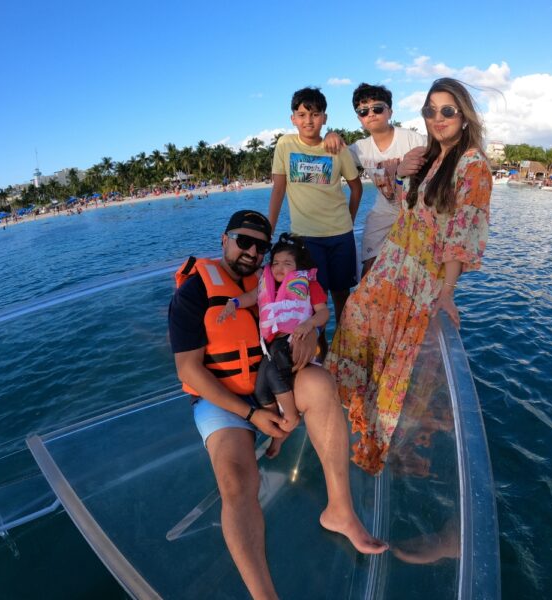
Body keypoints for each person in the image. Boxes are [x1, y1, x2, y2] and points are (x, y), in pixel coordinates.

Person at [168, 209, 387, 600]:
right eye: (243, 240)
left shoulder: (279, 279)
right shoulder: (194, 293)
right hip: (225, 401)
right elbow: (189, 369)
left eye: (261, 246)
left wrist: (315, 337)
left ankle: (340, 510)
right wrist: (251, 413)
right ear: (224, 239)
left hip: (275, 380)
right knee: (236, 482)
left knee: (320, 383)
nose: (252, 251)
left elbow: (307, 322)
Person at [325, 78, 492, 475]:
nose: (438, 118)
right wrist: (401, 170)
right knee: (353, 324)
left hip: (419, 280)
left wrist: (447, 293)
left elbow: (463, 232)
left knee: (398, 363)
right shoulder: (429, 156)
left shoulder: (472, 164)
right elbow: (401, 201)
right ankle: (352, 421)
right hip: (391, 267)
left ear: (464, 116)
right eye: (431, 111)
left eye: (447, 111)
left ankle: (386, 447)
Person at [217, 232, 329, 448]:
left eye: (287, 263)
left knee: (271, 371)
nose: (279, 267)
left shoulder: (308, 284)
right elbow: (251, 297)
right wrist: (234, 303)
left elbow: (324, 312)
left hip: (292, 339)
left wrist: (309, 324)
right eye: (276, 262)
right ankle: (278, 427)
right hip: (271, 346)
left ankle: (291, 416)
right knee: (260, 388)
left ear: (298, 267)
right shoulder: (264, 284)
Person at [268, 87, 362, 325]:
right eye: (301, 115)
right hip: (306, 239)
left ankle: (343, 350)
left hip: (340, 235)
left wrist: (348, 222)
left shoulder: (336, 147)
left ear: (324, 118)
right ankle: (318, 354)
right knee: (309, 300)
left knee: (342, 295)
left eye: (315, 114)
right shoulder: (284, 145)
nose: (308, 120)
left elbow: (357, 188)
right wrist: (268, 230)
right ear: (293, 118)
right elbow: (278, 190)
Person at [348, 83, 427, 276]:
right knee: (369, 267)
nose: (371, 114)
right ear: (359, 118)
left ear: (390, 112)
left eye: (377, 108)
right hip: (383, 212)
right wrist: (331, 136)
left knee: (415, 271)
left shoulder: (412, 140)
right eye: (363, 111)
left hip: (416, 212)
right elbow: (332, 158)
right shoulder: (359, 148)